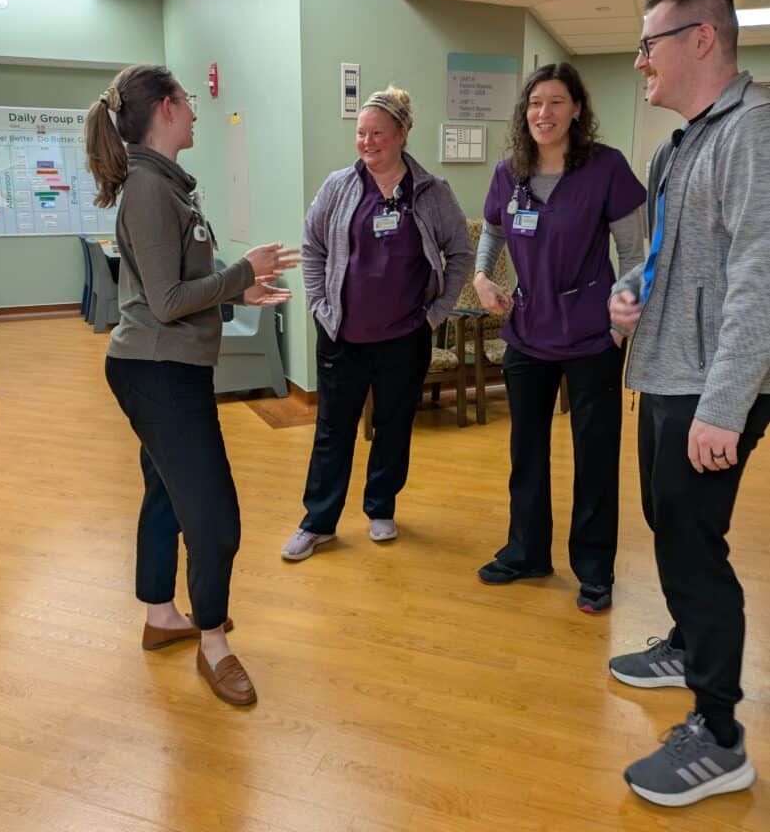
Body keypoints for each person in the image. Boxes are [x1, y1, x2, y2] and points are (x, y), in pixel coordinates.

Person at [85, 65, 299, 706]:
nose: (198, 110)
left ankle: (160, 616)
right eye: (190, 100)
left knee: (166, 493)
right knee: (215, 517)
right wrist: (241, 271)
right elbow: (169, 299)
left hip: (166, 367)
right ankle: (214, 644)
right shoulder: (150, 189)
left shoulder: (169, 186)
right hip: (157, 374)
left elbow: (173, 294)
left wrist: (241, 288)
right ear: (166, 109)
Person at [607, 0, 770, 806]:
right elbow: (671, 250)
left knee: (694, 548)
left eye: (649, 43)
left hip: (709, 383)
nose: (640, 61)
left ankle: (719, 734)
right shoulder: (674, 148)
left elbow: (758, 276)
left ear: (700, 39)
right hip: (665, 368)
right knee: (667, 527)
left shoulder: (754, 132)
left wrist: (723, 404)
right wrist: (628, 287)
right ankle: (683, 645)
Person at [473, 62, 646, 612]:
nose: (542, 114)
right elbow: (495, 231)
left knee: (594, 454)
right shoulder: (510, 172)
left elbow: (636, 256)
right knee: (526, 450)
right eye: (533, 105)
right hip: (528, 330)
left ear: (576, 109)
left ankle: (594, 570)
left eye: (554, 102)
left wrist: (621, 323)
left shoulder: (606, 168)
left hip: (593, 336)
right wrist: (481, 277)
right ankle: (526, 551)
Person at [281, 85, 472, 562]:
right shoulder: (339, 187)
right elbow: (312, 247)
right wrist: (319, 307)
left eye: (378, 134)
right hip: (342, 336)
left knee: (393, 426)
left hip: (405, 339)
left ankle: (381, 508)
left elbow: (460, 253)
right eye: (361, 134)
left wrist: (437, 313)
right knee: (332, 430)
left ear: (403, 135)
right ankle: (318, 522)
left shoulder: (431, 193)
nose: (367, 143)